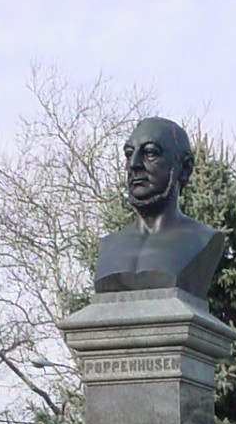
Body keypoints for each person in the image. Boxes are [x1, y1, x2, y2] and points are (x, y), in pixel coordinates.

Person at [94, 117, 224, 300]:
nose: (134, 164)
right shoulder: (108, 246)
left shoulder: (203, 240)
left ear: (185, 168)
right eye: (129, 154)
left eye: (150, 153)